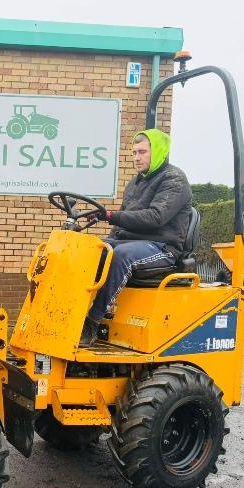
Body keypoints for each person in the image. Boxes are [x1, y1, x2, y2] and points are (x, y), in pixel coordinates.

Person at [81, 128, 192, 345]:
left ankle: (91, 323)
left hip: (162, 247)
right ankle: (72, 310)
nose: (136, 158)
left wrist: (112, 216)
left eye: (142, 152)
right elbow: (122, 224)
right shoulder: (135, 183)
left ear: (158, 151)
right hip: (132, 241)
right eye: (134, 153)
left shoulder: (174, 179)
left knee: (120, 255)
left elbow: (156, 217)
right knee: (90, 248)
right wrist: (107, 236)